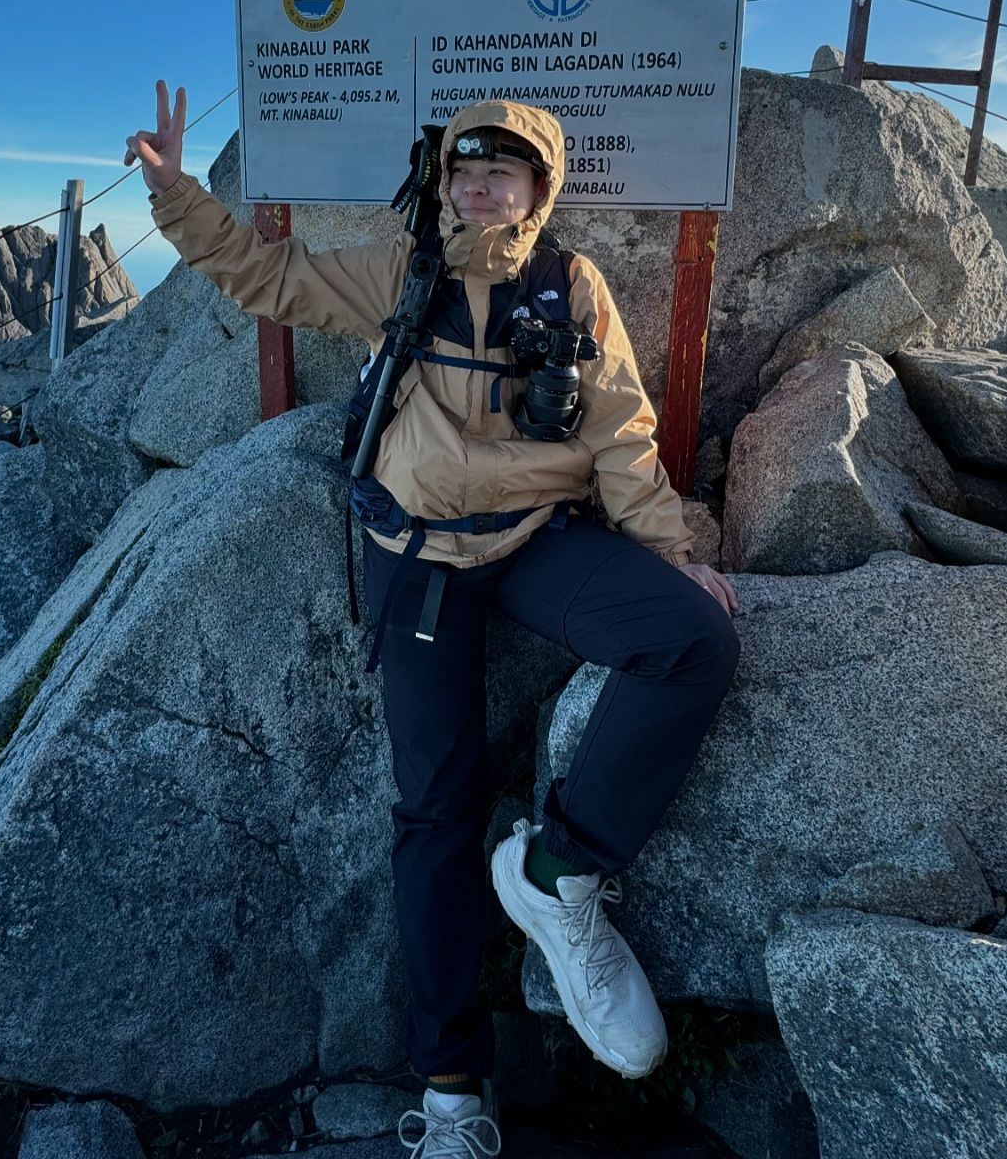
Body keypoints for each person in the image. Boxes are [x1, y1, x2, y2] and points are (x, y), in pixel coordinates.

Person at [126, 81, 740, 1159]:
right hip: (415, 559)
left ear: (541, 188)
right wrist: (178, 195)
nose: (480, 184)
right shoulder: (400, 275)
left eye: (503, 169)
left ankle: (558, 874)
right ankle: (454, 1088)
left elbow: (622, 430)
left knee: (692, 641)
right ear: (443, 183)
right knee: (434, 810)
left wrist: (671, 550)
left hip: (537, 541)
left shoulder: (574, 287)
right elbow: (267, 277)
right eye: (464, 168)